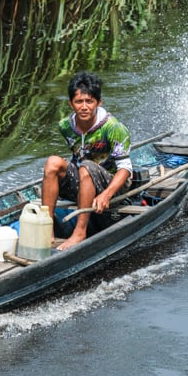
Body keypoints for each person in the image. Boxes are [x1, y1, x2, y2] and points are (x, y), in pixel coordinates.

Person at [40, 71, 133, 250]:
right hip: (85, 180)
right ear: (70, 103)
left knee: (87, 167)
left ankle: (80, 232)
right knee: (53, 162)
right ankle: (47, 227)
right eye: (78, 102)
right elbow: (75, 156)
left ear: (98, 103)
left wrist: (107, 194)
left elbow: (125, 169)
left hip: (113, 185)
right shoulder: (65, 126)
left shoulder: (114, 128)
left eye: (89, 101)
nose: (84, 107)